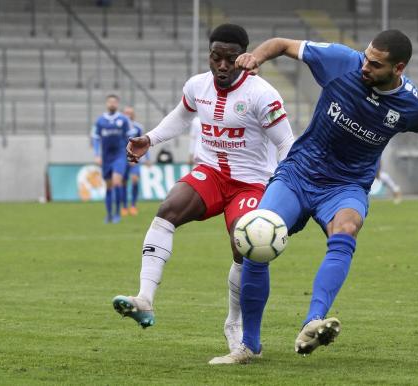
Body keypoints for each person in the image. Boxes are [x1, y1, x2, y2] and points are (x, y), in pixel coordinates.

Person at [208, 30, 418, 364]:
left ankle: (313, 321)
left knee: (345, 229)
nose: (365, 66)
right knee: (256, 235)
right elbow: (283, 44)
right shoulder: (343, 61)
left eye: (375, 63)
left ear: (398, 68)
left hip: (346, 186)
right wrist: (257, 56)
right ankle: (248, 345)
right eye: (367, 56)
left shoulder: (413, 105)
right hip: (299, 173)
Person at [111, 24, 294, 353]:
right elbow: (181, 117)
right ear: (209, 56)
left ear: (244, 57)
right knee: (167, 211)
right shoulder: (197, 85)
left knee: (244, 245)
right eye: (215, 57)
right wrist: (149, 139)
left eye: (230, 58)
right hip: (210, 173)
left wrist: (281, 186)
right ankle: (145, 299)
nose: (222, 65)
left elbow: (286, 144)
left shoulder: (262, 94)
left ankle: (234, 323)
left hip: (250, 181)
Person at [91, 94, 131, 223]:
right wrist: (97, 154)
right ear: (106, 104)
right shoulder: (100, 121)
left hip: (120, 155)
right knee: (108, 186)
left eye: (114, 102)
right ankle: (108, 214)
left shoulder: (123, 120)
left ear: (117, 104)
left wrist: (130, 154)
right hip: (106, 157)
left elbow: (129, 139)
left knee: (117, 182)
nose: (112, 104)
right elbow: (96, 139)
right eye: (110, 102)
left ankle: (117, 213)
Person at [121, 106, 149, 216]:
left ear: (133, 115)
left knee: (134, 180)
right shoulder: (120, 127)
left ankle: (133, 205)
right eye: (126, 113)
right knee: (123, 182)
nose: (128, 115)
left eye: (130, 113)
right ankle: (123, 207)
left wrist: (147, 158)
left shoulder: (138, 127)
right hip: (122, 158)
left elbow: (144, 143)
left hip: (134, 157)